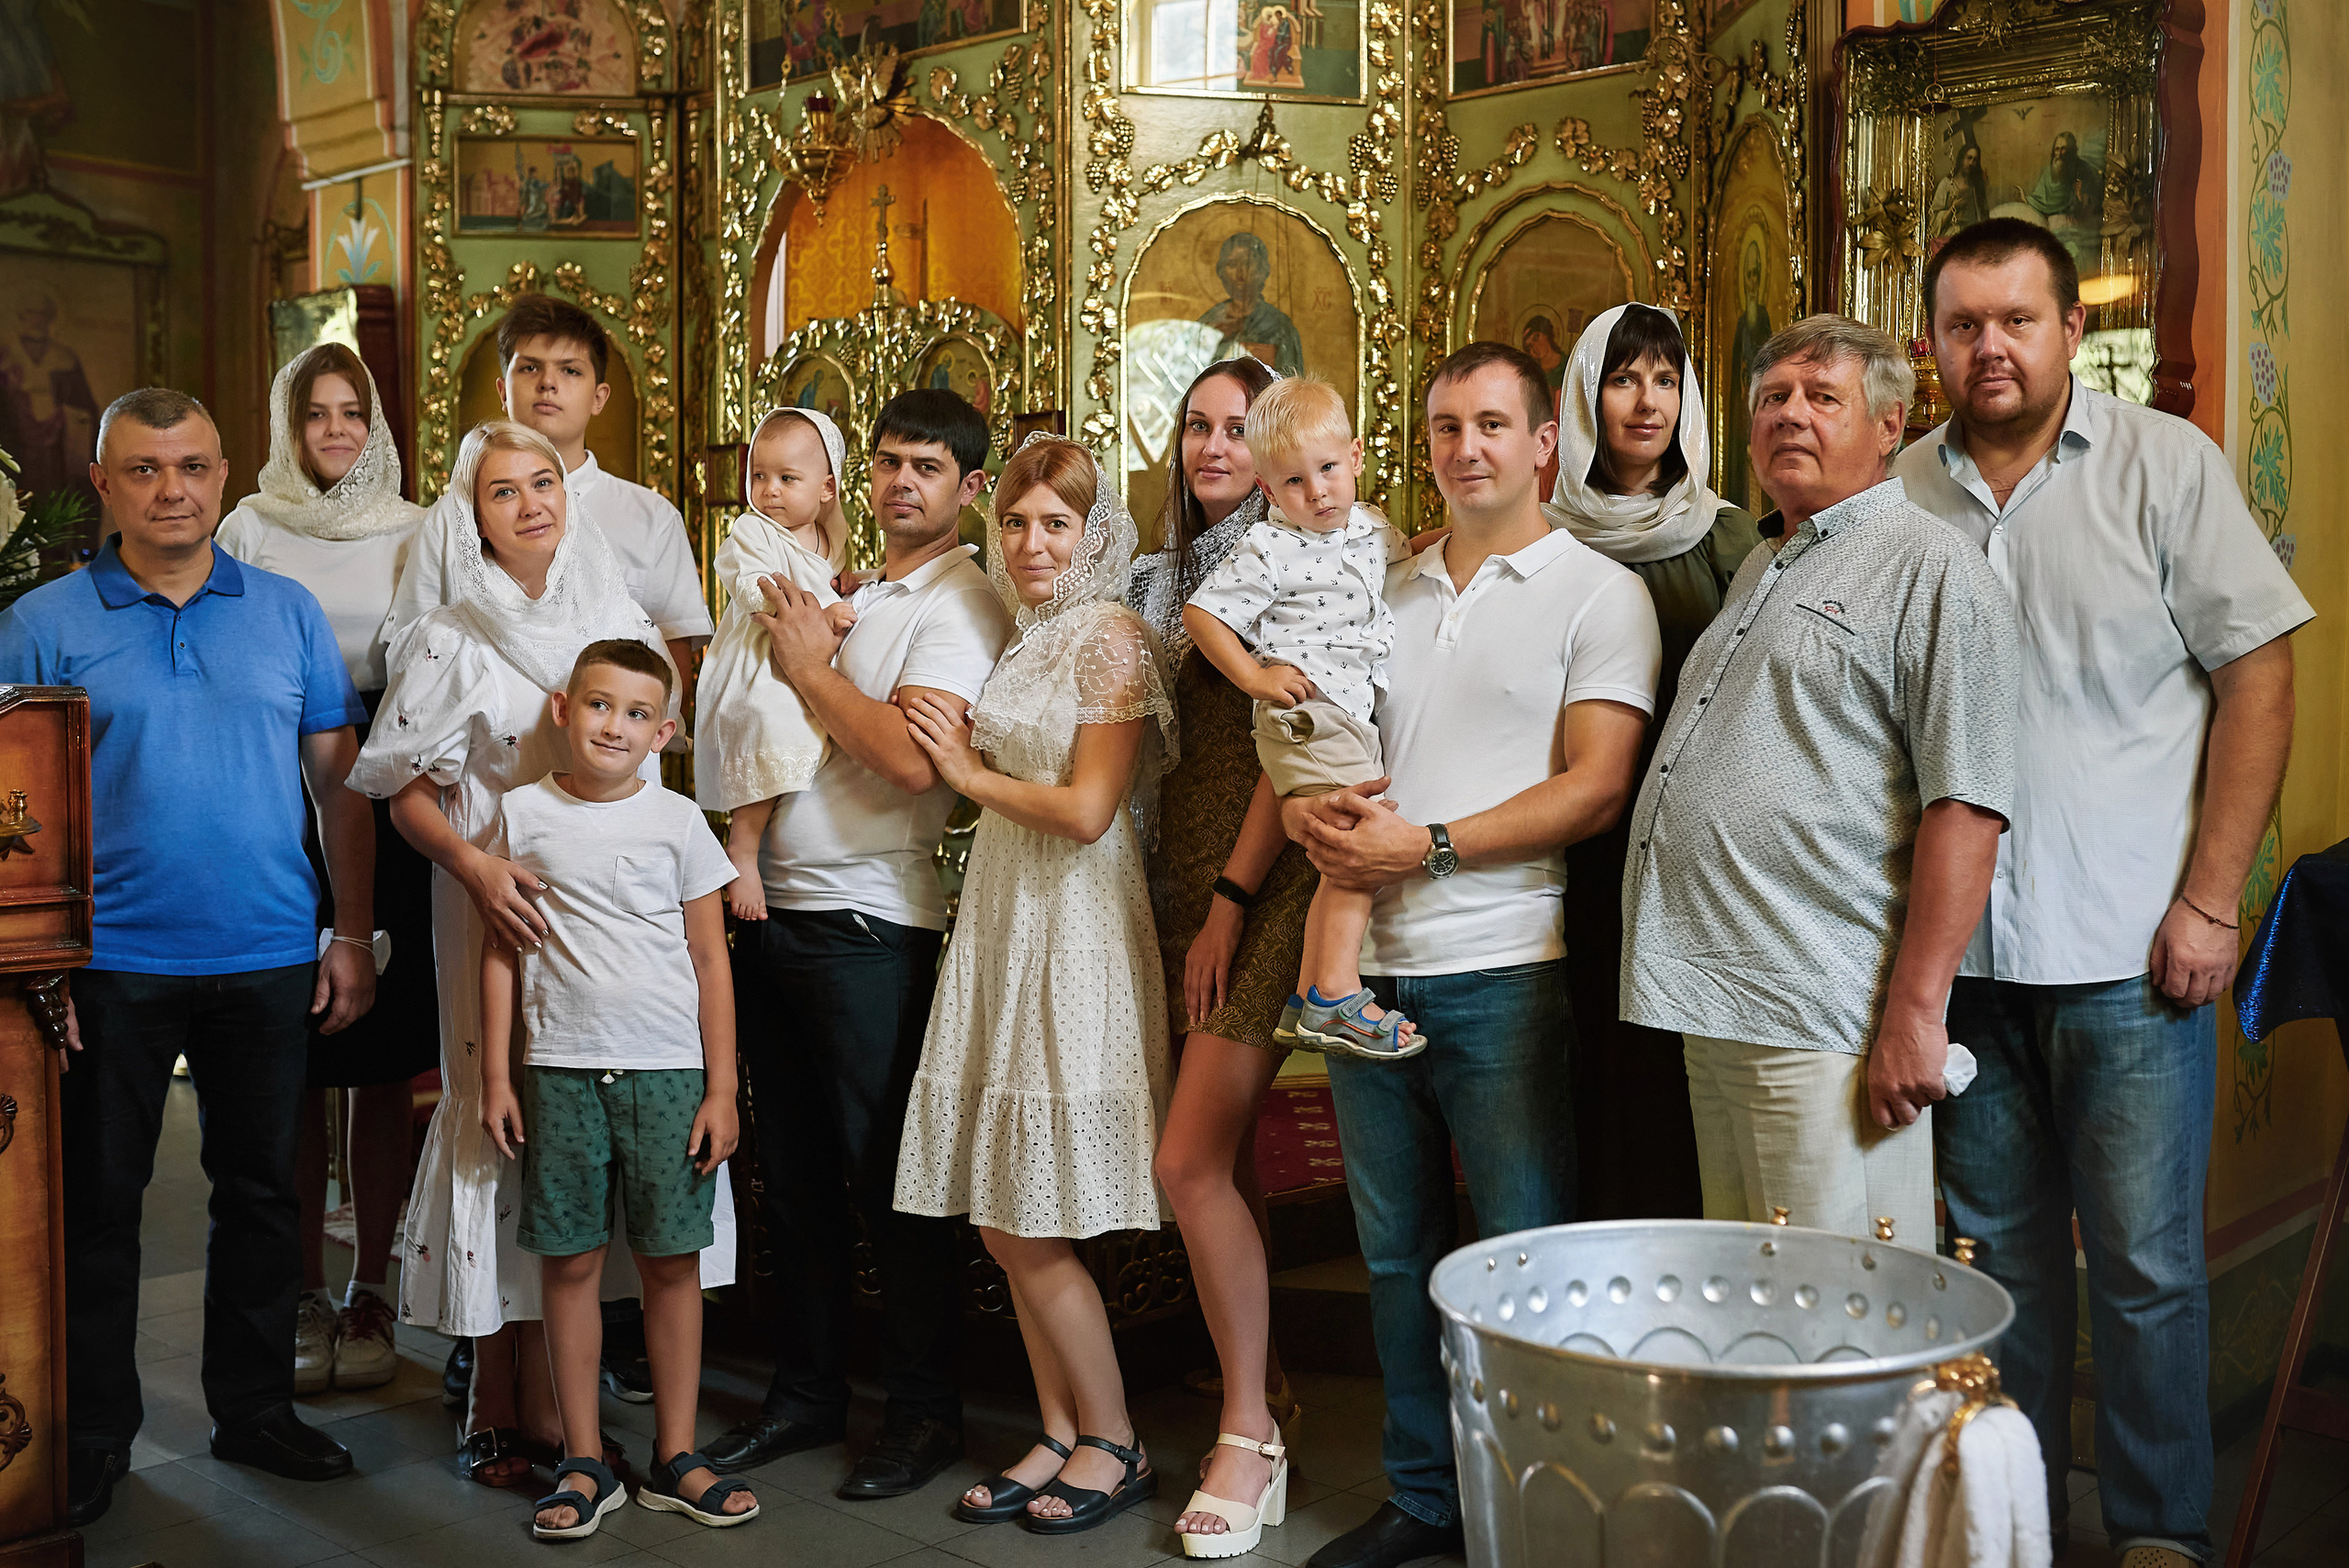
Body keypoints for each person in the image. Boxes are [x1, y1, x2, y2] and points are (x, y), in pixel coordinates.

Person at [1897, 219, 2310, 1568]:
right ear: (1932, 345)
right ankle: (2016, 1528)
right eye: (1966, 324)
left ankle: (2154, 1533)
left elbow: (2258, 674)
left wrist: (2211, 900)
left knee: (2142, 1274)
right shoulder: (1898, 493)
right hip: (1961, 974)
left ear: (2074, 330)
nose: (1992, 346)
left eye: (2019, 319)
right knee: (1998, 1272)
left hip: (2133, 955)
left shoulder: (2162, 468)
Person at [1284, 342, 1660, 1568]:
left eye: (1493, 424)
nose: (1468, 448)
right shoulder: (1379, 586)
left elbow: (1596, 788)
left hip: (1503, 966)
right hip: (1363, 975)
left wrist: (1428, 848)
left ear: (1546, 439)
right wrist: (1303, 814)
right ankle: (1425, 1496)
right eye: (1446, 426)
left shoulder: (1600, 594)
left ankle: (1540, 1506)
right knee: (1396, 1256)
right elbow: (1325, 748)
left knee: (1523, 1248)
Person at [0, 388, 377, 1524]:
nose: (175, 489)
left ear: (225, 475)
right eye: (148, 469)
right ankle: (94, 1431)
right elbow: (8, 809)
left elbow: (338, 784)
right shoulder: (40, 622)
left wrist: (349, 932)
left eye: (195, 466)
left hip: (265, 951)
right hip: (106, 963)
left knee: (264, 1195)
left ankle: (256, 1410)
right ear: (108, 483)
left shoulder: (288, 610)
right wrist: (32, 972)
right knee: (100, 1207)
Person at [349, 421, 730, 1487]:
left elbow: (648, 770)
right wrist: (476, 870)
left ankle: (575, 1403)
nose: (528, 503)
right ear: (469, 515)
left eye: (544, 482)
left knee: (593, 1146)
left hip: (614, 910)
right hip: (492, 891)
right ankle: (491, 1385)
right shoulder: (449, 631)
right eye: (500, 490)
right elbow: (403, 792)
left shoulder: (614, 613)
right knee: (501, 1116)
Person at [1621, 314, 2017, 1247]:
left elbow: (1966, 804)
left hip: (1824, 1010)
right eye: (1772, 398)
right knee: (1759, 1301)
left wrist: (1916, 1016)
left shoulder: (1931, 565)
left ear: (1889, 424)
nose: (1790, 415)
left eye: (1821, 397)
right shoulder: (1761, 559)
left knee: (1841, 1313)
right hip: (1714, 997)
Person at [703, 388, 1011, 1499]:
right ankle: (807, 1392)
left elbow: (909, 757)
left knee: (890, 1180)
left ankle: (923, 1409)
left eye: (926, 466)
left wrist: (807, 665)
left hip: (872, 921)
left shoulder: (961, 603)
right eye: (886, 461)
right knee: (790, 1178)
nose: (900, 482)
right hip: (769, 907)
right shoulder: (855, 586)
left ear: (969, 488)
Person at [892, 435, 1176, 1535]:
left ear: (1096, 532)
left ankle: (1115, 1438)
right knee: (1007, 1204)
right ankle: (1057, 1426)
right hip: (1007, 910)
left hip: (1076, 919)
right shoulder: (1034, 633)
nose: (1031, 541)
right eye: (1014, 521)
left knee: (1034, 1215)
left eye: (1055, 522)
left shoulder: (1109, 639)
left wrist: (966, 773)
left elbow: (1091, 810)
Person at [477, 640, 757, 1540]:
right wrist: (495, 1074)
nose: (615, 726)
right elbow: (499, 949)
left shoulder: (679, 823)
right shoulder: (519, 815)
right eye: (599, 705)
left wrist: (722, 1089)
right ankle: (585, 1461)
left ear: (664, 732)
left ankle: (677, 1454)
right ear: (564, 707)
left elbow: (712, 961)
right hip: (559, 1070)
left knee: (673, 1261)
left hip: (671, 1071)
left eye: (637, 713)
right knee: (570, 1261)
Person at [216, 343, 432, 1399]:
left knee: (381, 1069)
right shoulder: (250, 526)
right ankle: (303, 1284)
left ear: (376, 422)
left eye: (353, 412)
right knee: (293, 1063)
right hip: (272, 807)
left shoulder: (417, 526)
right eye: (316, 415)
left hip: (386, 807)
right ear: (286, 426)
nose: (337, 431)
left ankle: (374, 1285)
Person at [1126, 356, 1308, 1554]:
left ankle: (1252, 1435)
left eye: (1238, 427)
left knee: (1186, 1160)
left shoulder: (1293, 560)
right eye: (1196, 424)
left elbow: (1294, 750)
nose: (1212, 444)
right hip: (1175, 874)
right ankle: (1268, 1374)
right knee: (1218, 1155)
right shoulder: (1158, 570)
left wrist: (1234, 902)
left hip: (1263, 874)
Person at [1542, 303, 1758, 1219]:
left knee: (1669, 1054)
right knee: (1574, 1050)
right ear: (1586, 394)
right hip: (1564, 837)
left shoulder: (1724, 535)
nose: (1646, 400)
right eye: (1623, 377)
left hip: (1685, 845)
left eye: (1665, 378)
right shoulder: (1538, 531)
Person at [1183, 373, 1420, 1067]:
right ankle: (1335, 991)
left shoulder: (1372, 525)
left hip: (1348, 715)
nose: (1316, 492)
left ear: (1354, 455)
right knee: (1355, 846)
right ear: (1268, 490)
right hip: (1308, 714)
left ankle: (1312, 991)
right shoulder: (1271, 548)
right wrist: (1256, 676)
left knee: (1338, 852)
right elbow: (1204, 614)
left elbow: (1412, 554)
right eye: (1292, 482)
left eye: (1326, 470)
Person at [388, 295, 711, 704]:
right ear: (503, 391)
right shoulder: (450, 516)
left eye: (570, 370)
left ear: (599, 397)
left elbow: (670, 667)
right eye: (529, 367)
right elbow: (413, 648)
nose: (547, 383)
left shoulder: (652, 516)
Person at [692, 406, 859, 918]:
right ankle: (742, 847)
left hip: (803, 662)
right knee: (770, 721)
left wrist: (847, 588)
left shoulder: (832, 540)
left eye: (788, 478)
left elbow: (832, 580)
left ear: (826, 489)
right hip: (757, 664)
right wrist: (818, 610)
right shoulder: (753, 531)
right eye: (759, 476)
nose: (769, 491)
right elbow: (751, 585)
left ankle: (776, 846)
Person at [1198, 234, 1303, 378]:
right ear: (1221, 271)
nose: (1240, 272)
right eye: (1232, 264)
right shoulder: (1209, 322)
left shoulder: (1279, 326)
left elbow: (1290, 382)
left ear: (1262, 271)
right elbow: (1192, 373)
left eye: (1247, 264)